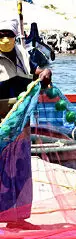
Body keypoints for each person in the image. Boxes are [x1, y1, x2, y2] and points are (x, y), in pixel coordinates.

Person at [0, 19, 52, 225]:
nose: (4, 39)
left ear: (14, 36)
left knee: (20, 168)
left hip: (21, 123)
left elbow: (36, 72)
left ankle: (18, 217)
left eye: (8, 35)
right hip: (1, 121)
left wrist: (45, 73)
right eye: (0, 35)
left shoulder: (23, 54)